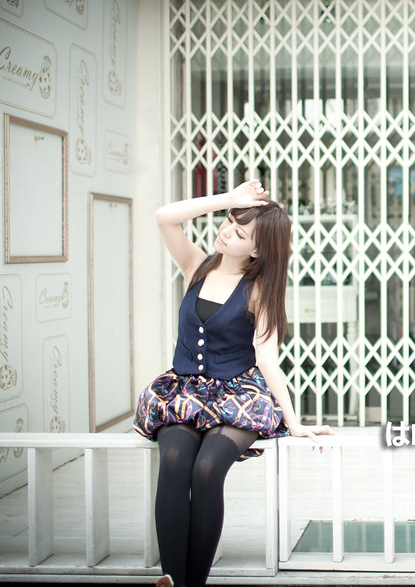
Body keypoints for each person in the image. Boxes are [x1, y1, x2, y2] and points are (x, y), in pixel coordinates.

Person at [133, 179, 330, 587]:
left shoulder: (258, 291)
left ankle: (192, 583)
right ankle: (171, 579)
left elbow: (267, 359)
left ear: (257, 250)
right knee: (174, 461)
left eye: (240, 233)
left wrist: (293, 421)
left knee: (207, 470)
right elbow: (164, 217)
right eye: (228, 221)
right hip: (184, 394)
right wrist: (230, 199)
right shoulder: (197, 266)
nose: (226, 231)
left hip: (237, 396)